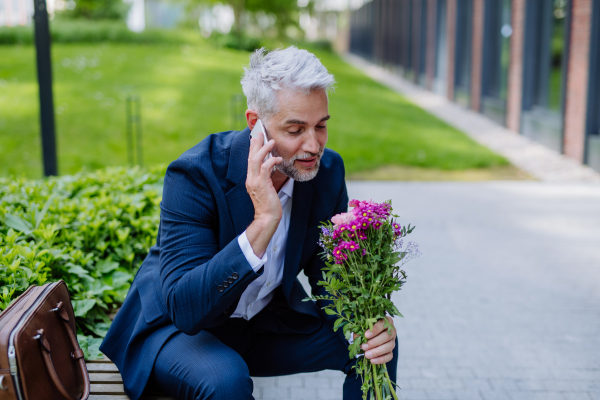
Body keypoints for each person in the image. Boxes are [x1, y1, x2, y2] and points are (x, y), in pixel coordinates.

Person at [100, 46, 398, 400]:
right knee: (226, 380)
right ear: (255, 123)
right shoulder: (195, 174)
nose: (313, 144)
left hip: (258, 324)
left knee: (374, 343)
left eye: (321, 126)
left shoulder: (326, 174)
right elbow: (185, 307)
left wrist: (362, 319)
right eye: (295, 129)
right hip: (176, 328)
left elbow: (327, 276)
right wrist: (264, 221)